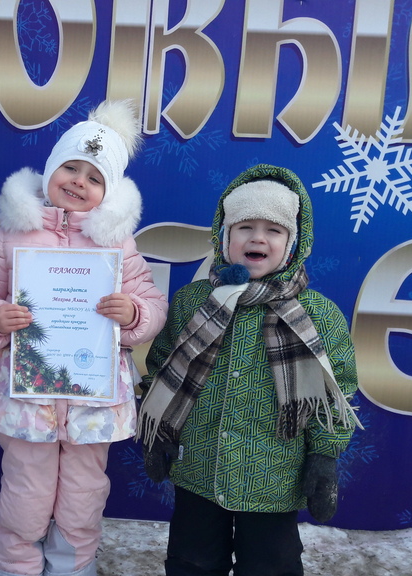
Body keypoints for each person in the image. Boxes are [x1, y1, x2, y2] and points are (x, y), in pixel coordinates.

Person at [0, 100, 168, 576]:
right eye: (70, 168)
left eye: (94, 178)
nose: (78, 181)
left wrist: (133, 312)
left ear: (108, 192)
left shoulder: (118, 245)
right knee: (25, 496)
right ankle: (16, 567)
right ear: (51, 168)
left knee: (82, 497)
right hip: (27, 399)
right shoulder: (13, 235)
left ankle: (73, 568)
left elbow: (153, 306)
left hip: (92, 402)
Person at [138, 164, 361, 576]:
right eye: (245, 227)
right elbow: (162, 366)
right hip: (199, 467)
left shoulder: (318, 314)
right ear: (224, 237)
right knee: (192, 561)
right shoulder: (193, 302)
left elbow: (337, 395)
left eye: (274, 230)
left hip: (274, 476)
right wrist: (160, 434)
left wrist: (324, 456)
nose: (258, 238)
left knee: (270, 566)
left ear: (292, 245)